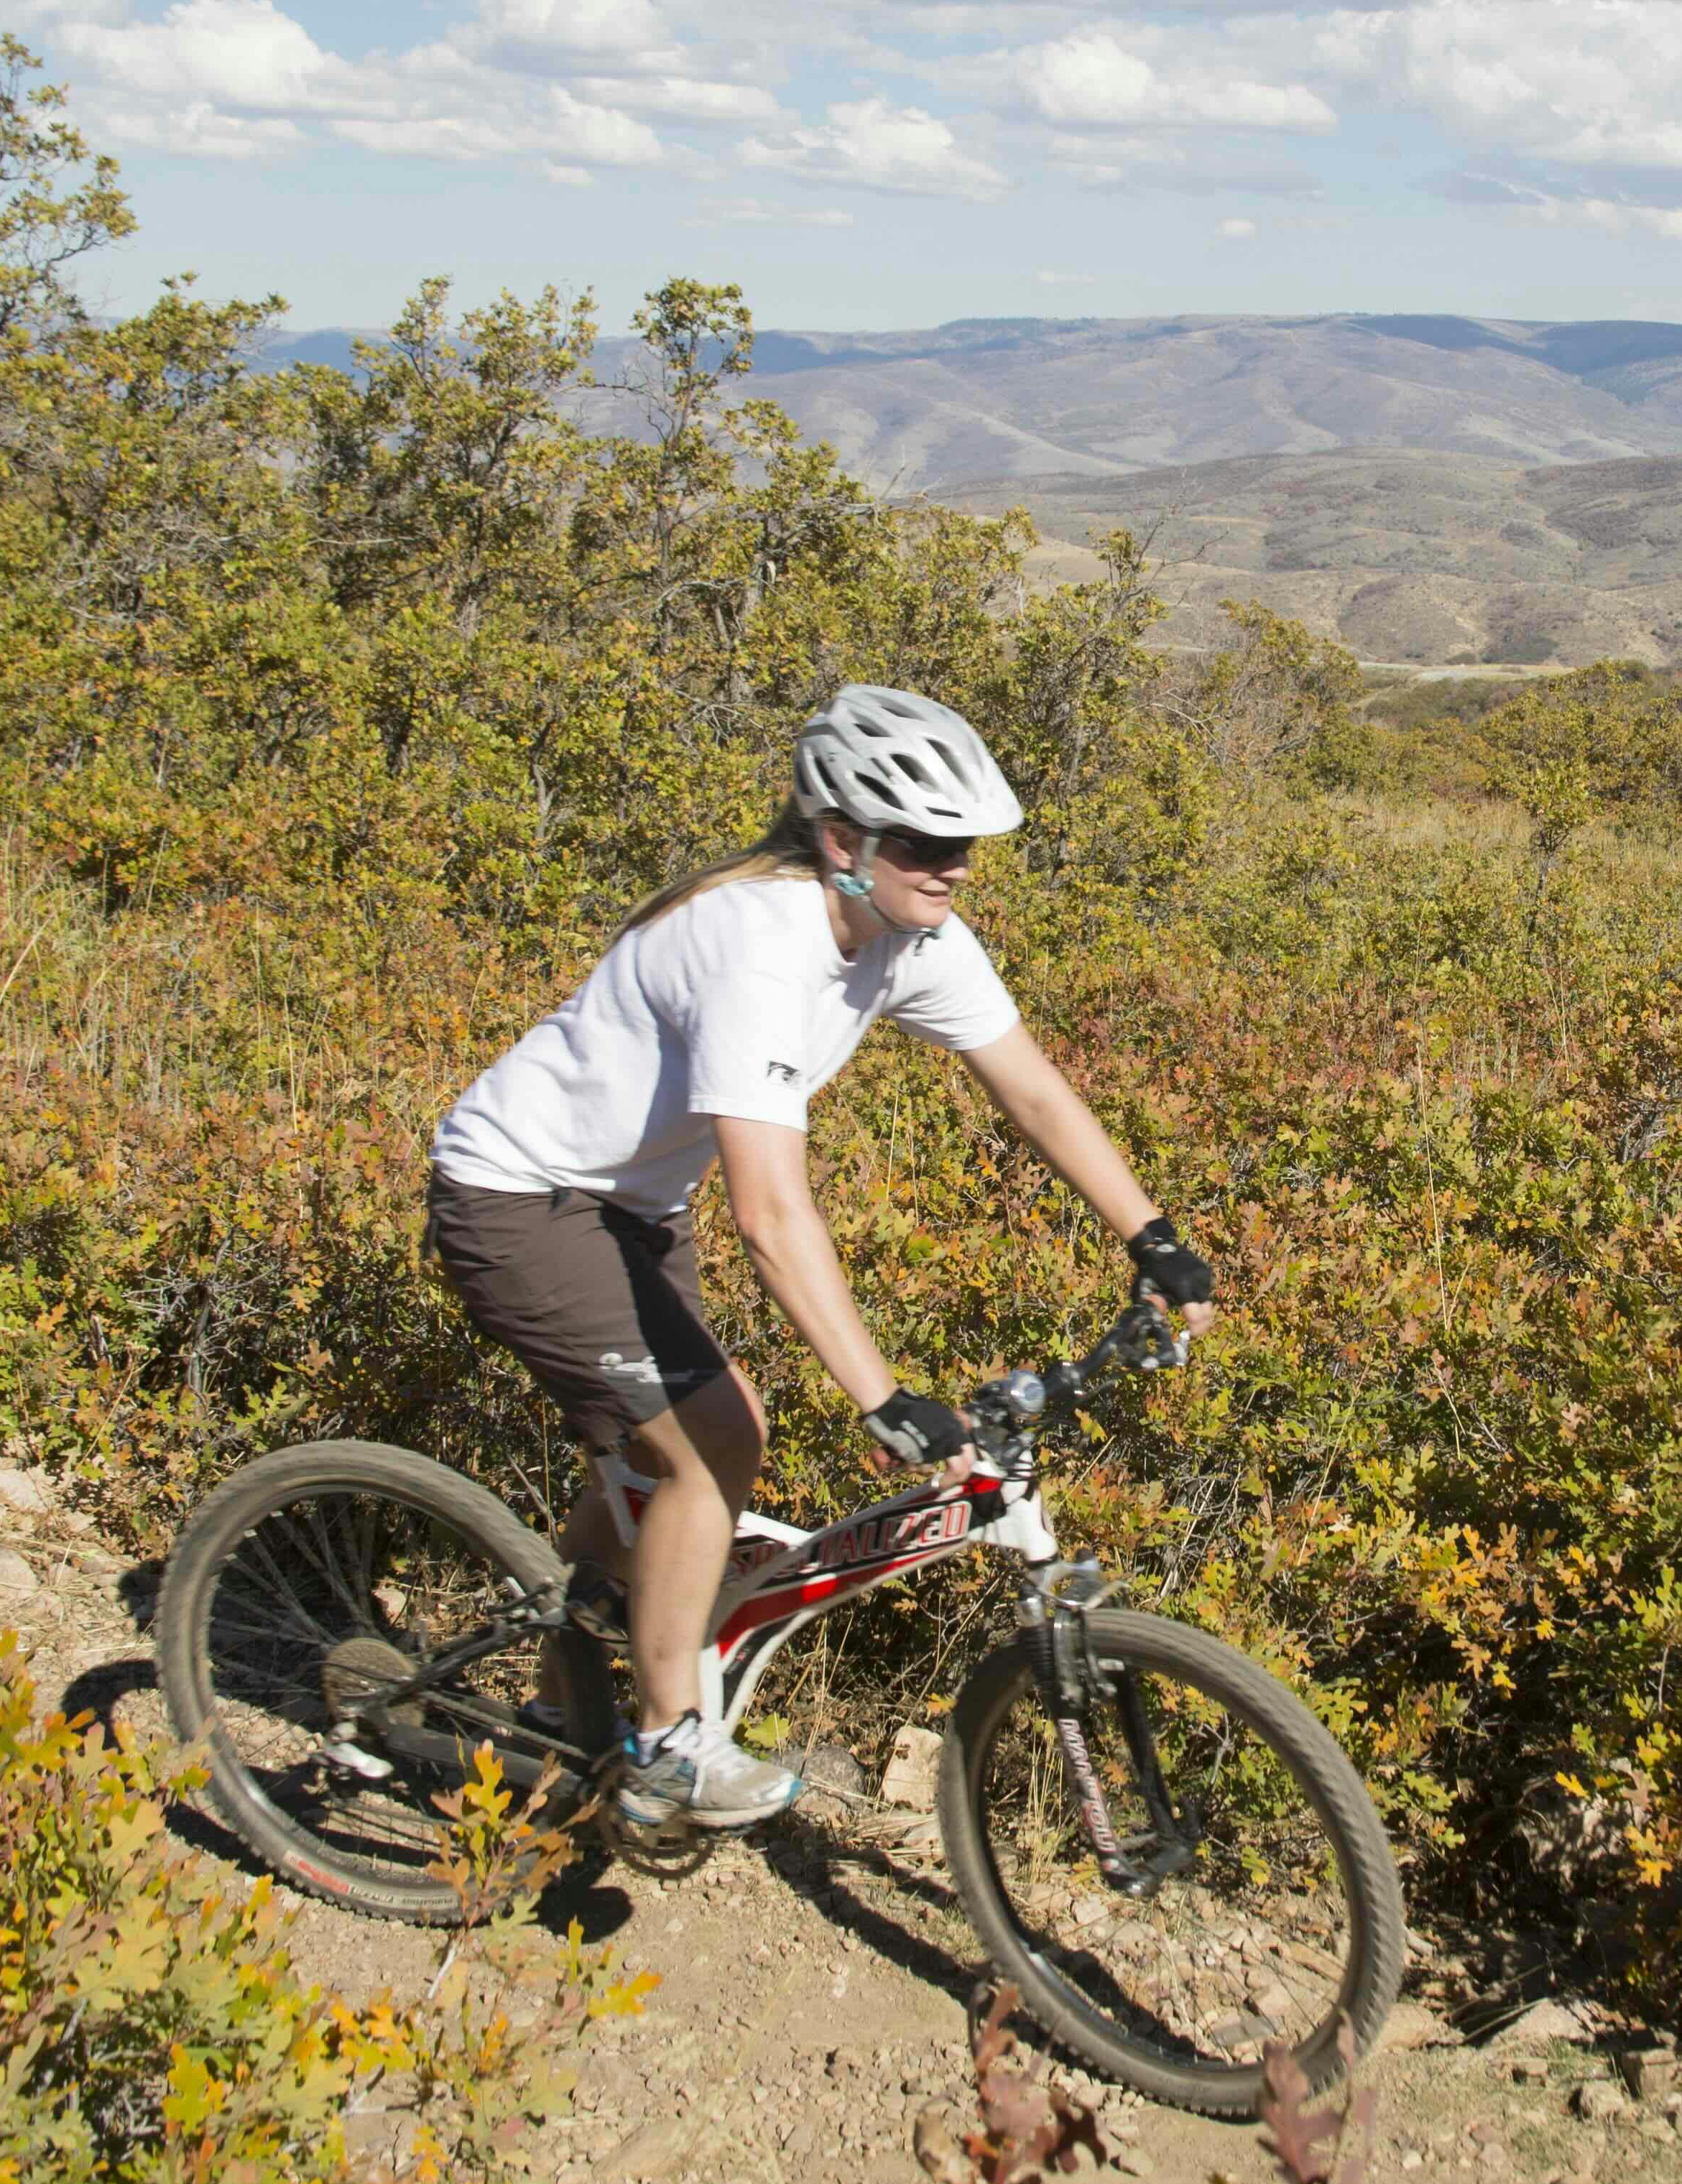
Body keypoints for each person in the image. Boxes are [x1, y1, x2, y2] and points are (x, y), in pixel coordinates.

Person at [422, 684, 1218, 1829]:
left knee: (649, 1463)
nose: (954, 870)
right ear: (843, 840)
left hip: (632, 1205)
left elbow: (1033, 1091)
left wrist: (1154, 1238)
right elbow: (771, 1213)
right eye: (930, 845)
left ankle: (569, 1684)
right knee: (719, 1439)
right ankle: (663, 1748)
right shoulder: (758, 947)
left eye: (968, 848)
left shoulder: (911, 935)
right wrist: (885, 1400)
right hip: (518, 1199)